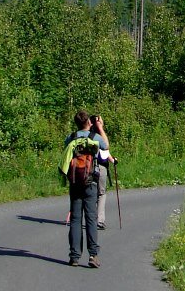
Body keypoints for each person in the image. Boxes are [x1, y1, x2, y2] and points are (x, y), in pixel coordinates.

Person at [62, 110, 102, 267]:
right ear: (89, 122)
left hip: (75, 182)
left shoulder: (71, 138)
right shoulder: (94, 138)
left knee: (76, 219)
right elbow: (106, 146)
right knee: (91, 218)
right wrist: (99, 127)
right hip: (90, 182)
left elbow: (65, 151)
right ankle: (93, 255)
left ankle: (74, 256)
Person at [90, 115, 117, 229]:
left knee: (90, 193)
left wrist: (111, 159)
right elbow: (105, 149)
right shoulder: (99, 136)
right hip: (100, 167)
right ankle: (99, 221)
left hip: (87, 167)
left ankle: (90, 219)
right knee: (101, 193)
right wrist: (113, 160)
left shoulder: (88, 136)